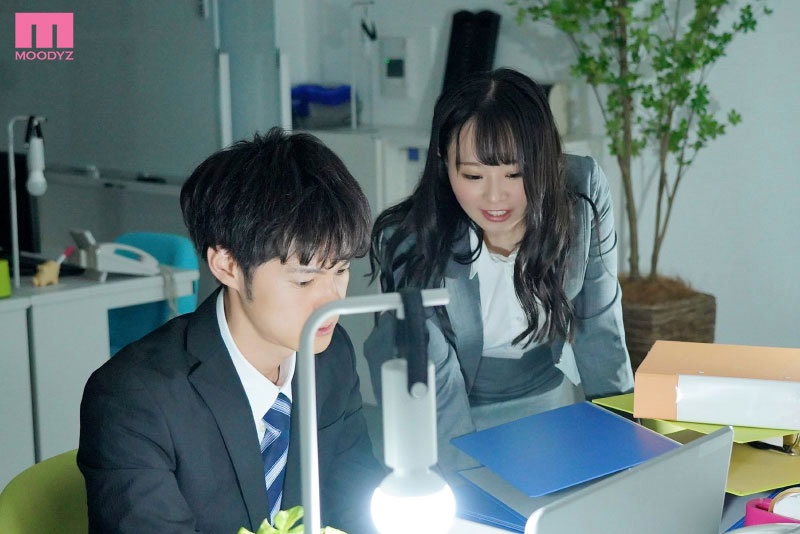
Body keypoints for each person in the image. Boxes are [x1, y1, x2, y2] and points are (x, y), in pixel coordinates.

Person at [78, 128, 385, 534]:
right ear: (228, 266)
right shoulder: (134, 398)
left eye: (341, 270)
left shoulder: (330, 354)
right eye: (304, 280)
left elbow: (356, 499)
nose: (332, 301)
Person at [365, 68, 634, 476]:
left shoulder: (580, 192)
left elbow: (600, 326)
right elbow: (435, 381)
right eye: (473, 175)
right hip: (449, 413)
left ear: (544, 162)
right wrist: (462, 480)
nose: (495, 197)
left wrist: (624, 438)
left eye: (515, 173)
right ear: (444, 163)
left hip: (548, 400)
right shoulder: (411, 240)